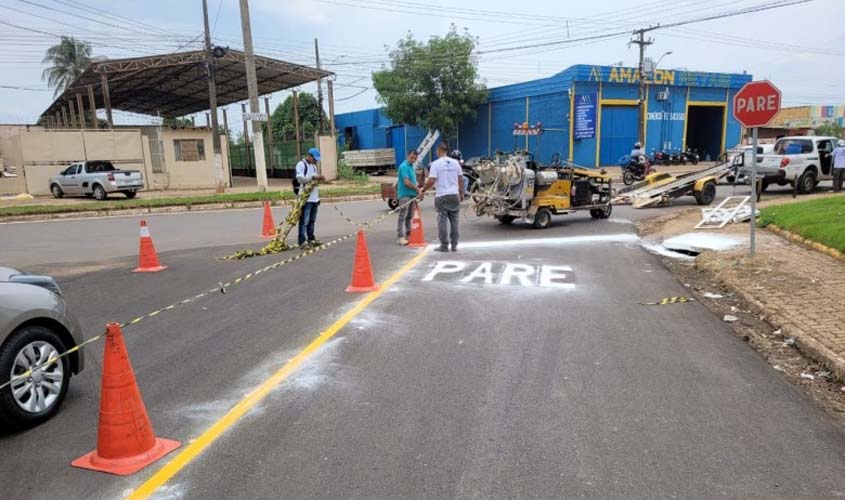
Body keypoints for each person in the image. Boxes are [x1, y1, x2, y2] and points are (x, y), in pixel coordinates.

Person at [420, 143, 464, 252]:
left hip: (442, 196)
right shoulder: (456, 163)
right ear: (447, 151)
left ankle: (444, 245)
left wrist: (423, 190)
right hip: (454, 195)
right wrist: (461, 193)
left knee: (442, 221)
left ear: (438, 151)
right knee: (454, 221)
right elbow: (461, 179)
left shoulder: (435, 164)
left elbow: (431, 180)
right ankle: (454, 245)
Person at [295, 147, 325, 248]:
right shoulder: (301, 164)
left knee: (312, 220)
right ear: (309, 156)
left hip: (314, 198)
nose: (316, 161)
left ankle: (311, 238)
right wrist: (313, 177)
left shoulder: (314, 166)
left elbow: (314, 181)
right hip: (306, 198)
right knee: (304, 221)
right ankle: (302, 241)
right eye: (315, 159)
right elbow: (300, 179)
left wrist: (320, 179)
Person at [396, 149, 421, 245]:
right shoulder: (404, 166)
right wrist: (417, 189)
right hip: (404, 195)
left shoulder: (411, 167)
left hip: (412, 195)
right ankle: (400, 236)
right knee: (403, 215)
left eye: (415, 158)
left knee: (409, 216)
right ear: (407, 156)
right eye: (412, 158)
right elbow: (407, 182)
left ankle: (408, 234)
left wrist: (417, 191)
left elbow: (413, 180)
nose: (413, 160)